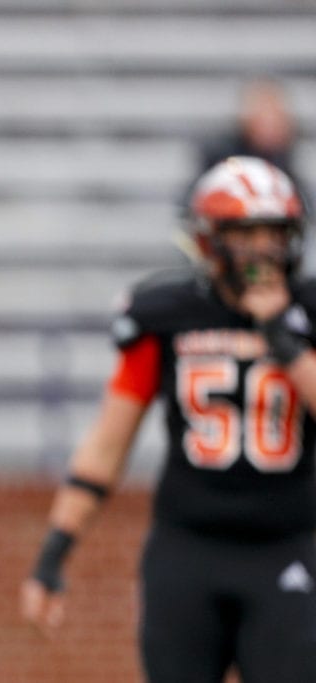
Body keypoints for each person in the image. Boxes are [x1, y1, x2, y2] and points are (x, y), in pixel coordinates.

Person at [20, 155, 316, 682]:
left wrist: (283, 339)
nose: (263, 249)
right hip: (189, 548)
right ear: (209, 239)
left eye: (273, 232)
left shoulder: (308, 313)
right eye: (246, 233)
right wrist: (53, 553)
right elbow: (108, 444)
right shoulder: (166, 314)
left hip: (287, 544)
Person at [184, 76, 309, 212]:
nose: (269, 126)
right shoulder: (218, 164)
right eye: (264, 115)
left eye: (275, 117)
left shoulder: (286, 171)